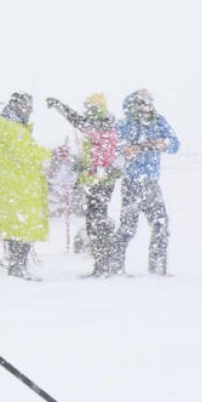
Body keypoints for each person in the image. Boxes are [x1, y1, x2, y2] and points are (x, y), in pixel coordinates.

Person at [47, 93, 121, 276]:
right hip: (97, 180)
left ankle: (103, 265)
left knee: (96, 223)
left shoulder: (101, 123)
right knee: (95, 222)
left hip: (100, 181)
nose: (86, 111)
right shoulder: (102, 124)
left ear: (96, 109)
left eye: (89, 107)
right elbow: (95, 155)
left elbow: (78, 122)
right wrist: (80, 165)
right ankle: (104, 264)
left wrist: (60, 106)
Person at [113, 89, 179, 275]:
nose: (146, 107)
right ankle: (116, 268)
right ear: (133, 106)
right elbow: (117, 146)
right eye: (142, 103)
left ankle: (157, 270)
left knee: (161, 224)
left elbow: (174, 143)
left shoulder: (159, 121)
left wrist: (163, 144)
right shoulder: (125, 124)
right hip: (132, 183)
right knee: (127, 228)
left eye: (149, 102)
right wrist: (128, 148)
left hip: (151, 183)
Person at [0, 92, 51, 279]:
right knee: (21, 228)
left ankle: (18, 266)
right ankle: (17, 267)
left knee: (18, 228)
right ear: (16, 106)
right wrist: (49, 155)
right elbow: (27, 153)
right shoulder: (13, 129)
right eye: (26, 106)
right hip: (18, 186)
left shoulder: (10, 127)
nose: (29, 110)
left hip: (15, 186)